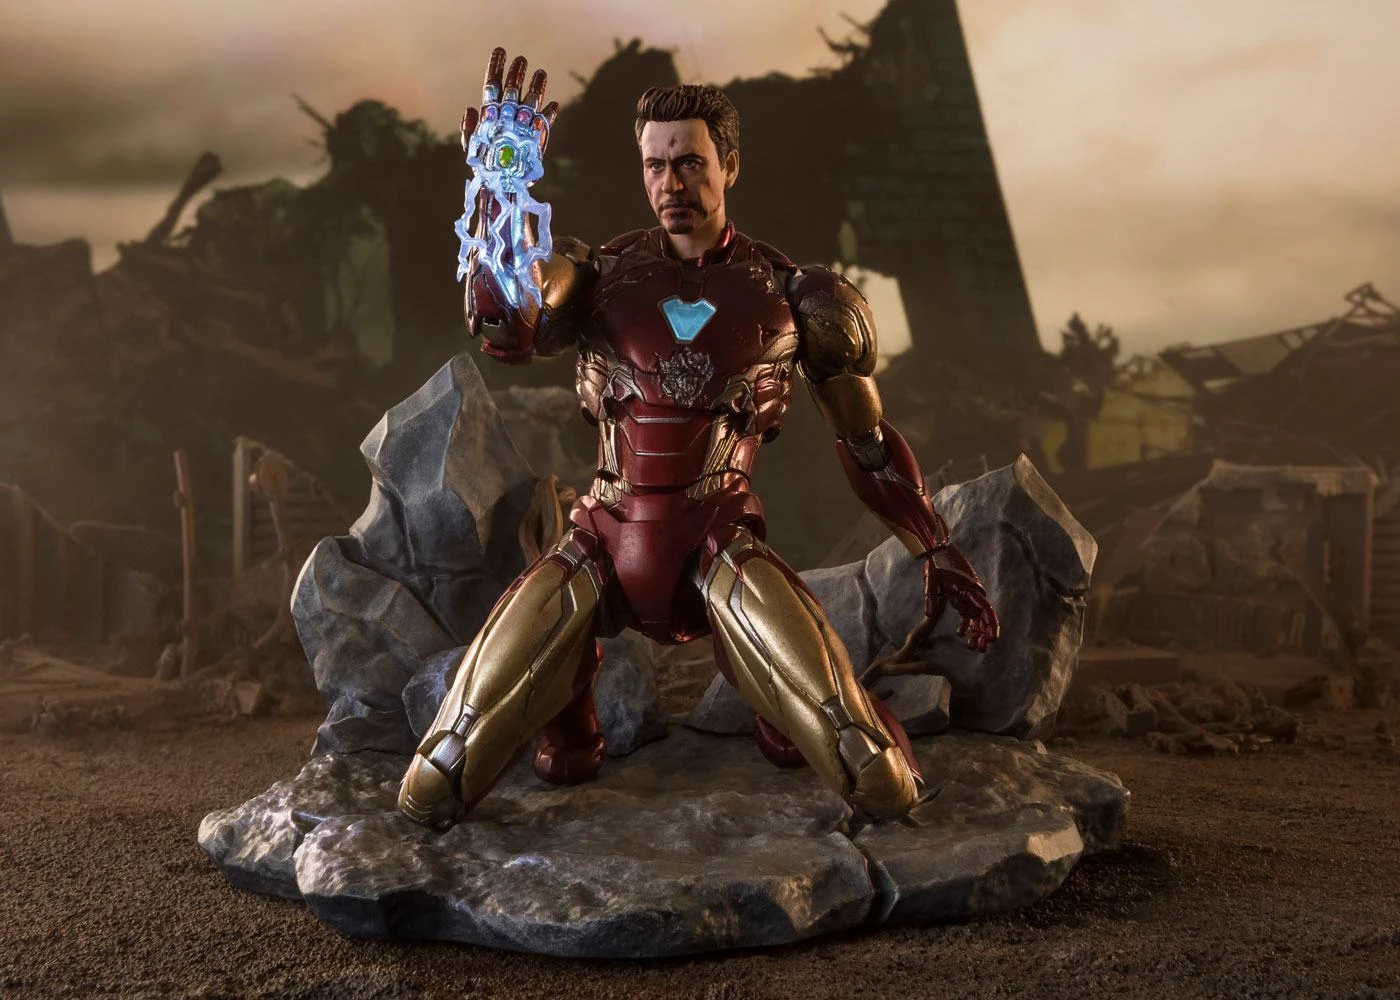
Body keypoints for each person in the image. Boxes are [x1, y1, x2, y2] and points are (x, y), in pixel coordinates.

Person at [398, 48, 999, 829]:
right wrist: (501, 188)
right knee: (433, 784)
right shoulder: (596, 274)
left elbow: (868, 441)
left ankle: (774, 711)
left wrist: (934, 545)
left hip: (718, 548)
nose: (670, 185)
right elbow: (505, 323)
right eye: (654, 165)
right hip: (601, 540)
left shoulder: (798, 299)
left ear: (730, 166)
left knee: (876, 776)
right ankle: (571, 714)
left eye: (689, 163)